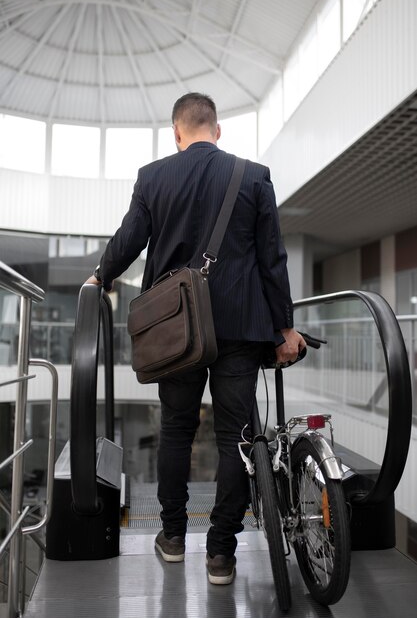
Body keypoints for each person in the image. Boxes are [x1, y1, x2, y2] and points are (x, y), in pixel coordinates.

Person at [86, 92, 306, 585]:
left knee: (177, 432)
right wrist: (285, 326)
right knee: (235, 438)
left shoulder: (154, 176)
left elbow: (129, 239)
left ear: (177, 133)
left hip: (176, 328)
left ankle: (172, 538)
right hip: (240, 327)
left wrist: (100, 277)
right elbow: (272, 258)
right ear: (217, 129)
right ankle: (222, 554)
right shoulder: (253, 175)